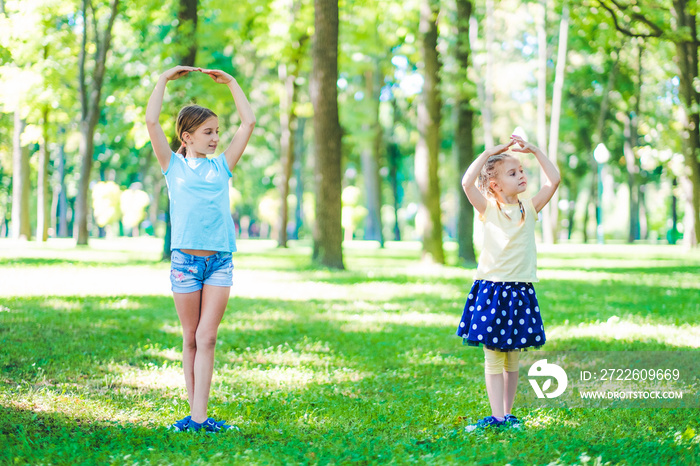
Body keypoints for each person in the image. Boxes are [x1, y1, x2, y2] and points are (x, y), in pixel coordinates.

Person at [145, 65, 256, 432]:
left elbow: (249, 123)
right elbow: (152, 123)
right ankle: (195, 417)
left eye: (216, 132)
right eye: (207, 133)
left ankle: (197, 418)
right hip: (185, 264)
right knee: (190, 338)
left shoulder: (222, 167)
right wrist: (162, 80)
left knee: (207, 337)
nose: (214, 138)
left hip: (219, 263)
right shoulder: (172, 166)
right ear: (187, 136)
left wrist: (233, 83)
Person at [457, 134, 560, 432]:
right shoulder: (488, 209)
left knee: (512, 359)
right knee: (494, 357)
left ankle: (508, 415)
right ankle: (497, 416)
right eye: (513, 173)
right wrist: (490, 152)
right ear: (495, 185)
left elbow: (553, 181)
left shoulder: (529, 208)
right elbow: (466, 183)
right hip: (491, 291)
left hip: (520, 291)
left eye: (522, 171)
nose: (522, 176)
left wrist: (536, 150)